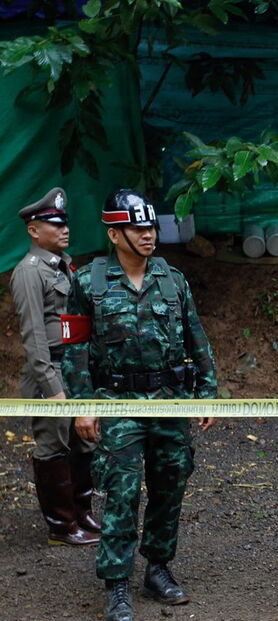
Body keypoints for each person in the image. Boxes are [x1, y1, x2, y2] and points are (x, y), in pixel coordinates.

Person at [62, 189, 217, 621]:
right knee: (122, 492)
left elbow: (196, 339)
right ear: (115, 234)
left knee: (170, 487)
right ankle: (116, 584)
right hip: (116, 403)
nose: (149, 235)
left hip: (170, 402)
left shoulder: (173, 280)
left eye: (151, 226)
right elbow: (73, 351)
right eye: (138, 228)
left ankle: (158, 569)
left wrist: (206, 393)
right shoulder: (87, 282)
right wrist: (83, 404)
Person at [11, 187, 101, 547]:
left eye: (65, 222)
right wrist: (55, 391)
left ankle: (82, 512)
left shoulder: (65, 266)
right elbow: (34, 340)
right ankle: (61, 526)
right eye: (54, 223)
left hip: (75, 368)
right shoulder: (29, 272)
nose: (64, 229)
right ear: (34, 230)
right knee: (54, 446)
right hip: (49, 373)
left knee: (83, 444)